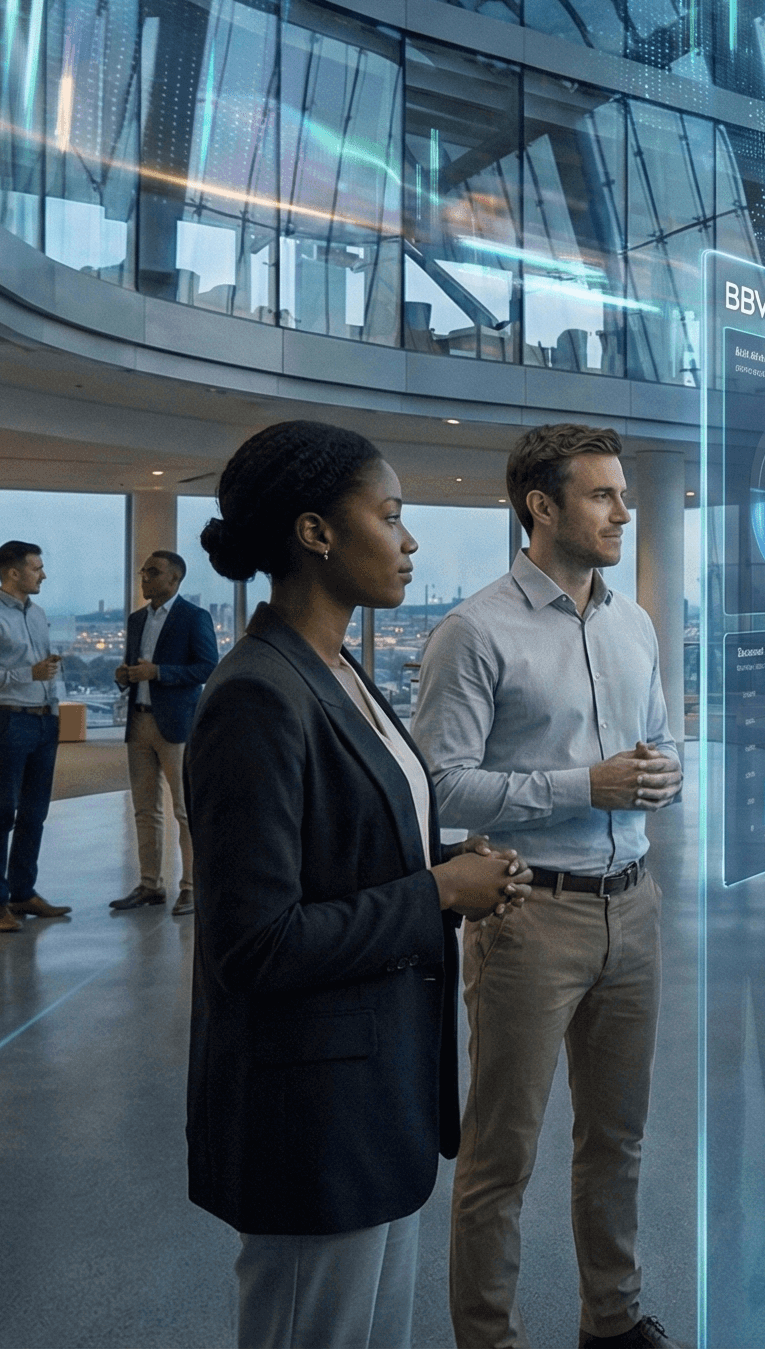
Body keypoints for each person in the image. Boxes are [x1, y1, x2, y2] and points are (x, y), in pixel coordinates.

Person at [183, 419, 530, 1349]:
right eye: (390, 515)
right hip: (313, 1115)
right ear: (316, 533)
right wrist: (442, 894)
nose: (410, 541)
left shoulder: (341, 672)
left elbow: (355, 851)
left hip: (378, 1093)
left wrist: (463, 871)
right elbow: (255, 943)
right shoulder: (257, 693)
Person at [413, 423, 684, 1349]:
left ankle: (611, 1320)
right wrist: (585, 786)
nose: (623, 511)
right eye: (603, 495)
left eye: (622, 494)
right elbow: (441, 787)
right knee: (502, 1158)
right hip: (532, 915)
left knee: (619, 1141)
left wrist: (662, 773)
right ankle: (488, 1340)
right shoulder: (474, 631)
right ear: (541, 507)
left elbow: (661, 738)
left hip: (633, 908)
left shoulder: (632, 621)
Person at [0, 540, 72, 934]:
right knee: (1, 814)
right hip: (8, 721)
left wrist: (51, 697)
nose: (43, 574)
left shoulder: (38, 615)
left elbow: (40, 669)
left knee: (35, 814)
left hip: (43, 721)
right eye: (36, 568)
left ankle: (23, 893)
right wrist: (27, 675)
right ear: (13, 573)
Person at [111, 549, 220, 917]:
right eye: (143, 572)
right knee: (144, 809)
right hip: (138, 721)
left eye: (153, 573)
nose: (144, 578)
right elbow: (135, 666)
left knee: (185, 810)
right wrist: (125, 675)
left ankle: (191, 887)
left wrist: (159, 673)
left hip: (177, 725)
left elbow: (207, 667)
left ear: (175, 580)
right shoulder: (137, 619)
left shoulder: (194, 618)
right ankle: (150, 885)